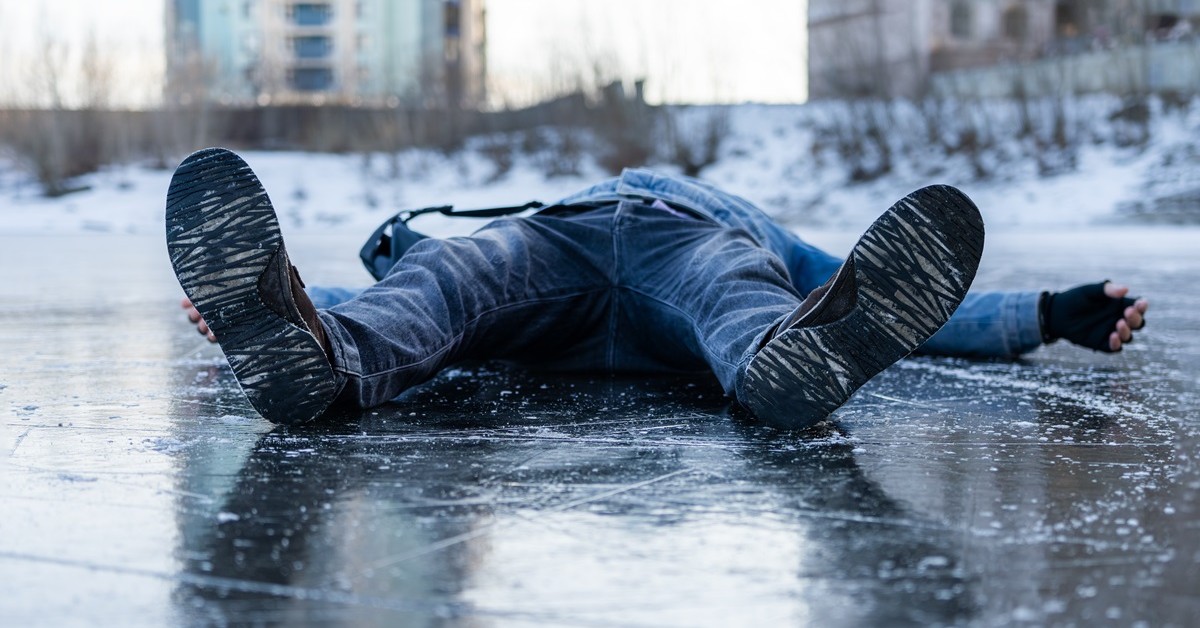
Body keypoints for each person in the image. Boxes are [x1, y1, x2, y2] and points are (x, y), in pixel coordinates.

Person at [168, 148, 1149, 429]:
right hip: (549, 251)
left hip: (693, 255)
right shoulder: (572, 202)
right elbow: (424, 287)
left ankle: (783, 367)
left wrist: (1046, 313)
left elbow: (876, 298)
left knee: (747, 295)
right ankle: (318, 356)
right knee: (451, 273)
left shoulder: (740, 222)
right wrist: (280, 306)